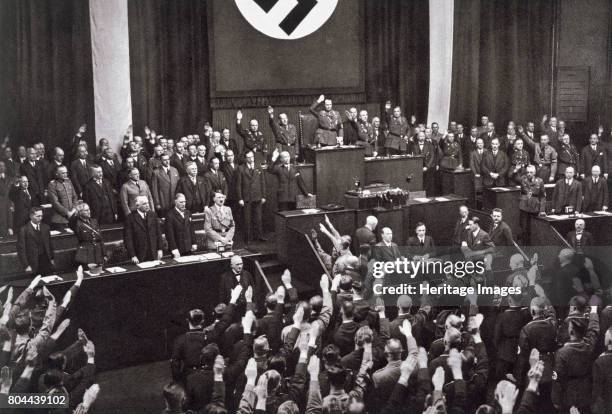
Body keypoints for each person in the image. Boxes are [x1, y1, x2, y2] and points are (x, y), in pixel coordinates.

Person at [236, 151, 266, 244]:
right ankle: (248, 238)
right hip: (246, 197)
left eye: (252, 156)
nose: (251, 158)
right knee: (247, 219)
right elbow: (238, 185)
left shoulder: (258, 166)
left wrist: (263, 196)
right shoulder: (241, 168)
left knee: (258, 218)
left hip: (257, 196)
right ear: (245, 159)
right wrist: (240, 198)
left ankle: (259, 236)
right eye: (248, 157)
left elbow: (262, 182)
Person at [123, 195, 163, 264]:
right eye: (144, 204)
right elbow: (128, 239)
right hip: (139, 255)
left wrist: (160, 249)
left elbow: (158, 234)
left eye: (148, 203)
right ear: (137, 206)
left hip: (153, 253)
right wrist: (133, 255)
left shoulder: (153, 215)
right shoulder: (130, 218)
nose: (147, 205)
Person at [17, 206, 54, 275]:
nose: (40, 218)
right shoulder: (24, 230)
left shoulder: (46, 227)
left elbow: (50, 245)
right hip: (32, 263)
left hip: (45, 261)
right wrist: (26, 265)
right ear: (31, 216)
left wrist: (51, 259)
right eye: (38, 216)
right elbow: (21, 250)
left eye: (41, 216)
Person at [519, 165, 547, 243]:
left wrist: (542, 210)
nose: (529, 174)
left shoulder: (540, 181)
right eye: (527, 172)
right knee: (524, 229)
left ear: (534, 173)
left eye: (531, 172)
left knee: (534, 230)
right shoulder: (523, 180)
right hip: (524, 207)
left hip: (535, 207)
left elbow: (543, 196)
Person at [165, 193, 198, 258]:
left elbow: (191, 229)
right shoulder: (170, 215)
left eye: (184, 202)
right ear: (175, 202)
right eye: (181, 202)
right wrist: (174, 249)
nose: (183, 204)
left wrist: (194, 243)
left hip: (189, 248)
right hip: (178, 249)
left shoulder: (188, 212)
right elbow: (169, 235)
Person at [73, 202, 106, 267]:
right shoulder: (77, 224)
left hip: (98, 253)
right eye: (86, 210)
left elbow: (100, 238)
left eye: (89, 209)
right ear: (80, 212)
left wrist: (104, 254)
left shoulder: (94, 221)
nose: (89, 211)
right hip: (87, 255)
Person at [47, 165, 78, 229]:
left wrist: (73, 210)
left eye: (66, 172)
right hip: (60, 220)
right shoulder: (52, 184)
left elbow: (74, 197)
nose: (65, 174)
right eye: (63, 173)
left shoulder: (69, 181)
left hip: (73, 216)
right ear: (57, 174)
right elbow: (55, 203)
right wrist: (67, 213)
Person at [151, 153, 180, 217]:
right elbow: (154, 189)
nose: (167, 161)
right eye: (164, 160)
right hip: (163, 200)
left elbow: (179, 186)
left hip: (174, 200)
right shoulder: (156, 172)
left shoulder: (174, 170)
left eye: (168, 159)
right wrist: (157, 203)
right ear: (160, 161)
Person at [0, 161, 14, 237]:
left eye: (3, 166)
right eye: (0, 166)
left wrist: (12, 203)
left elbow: (12, 193)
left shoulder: (10, 179)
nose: (1, 168)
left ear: (5, 168)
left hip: (8, 205)